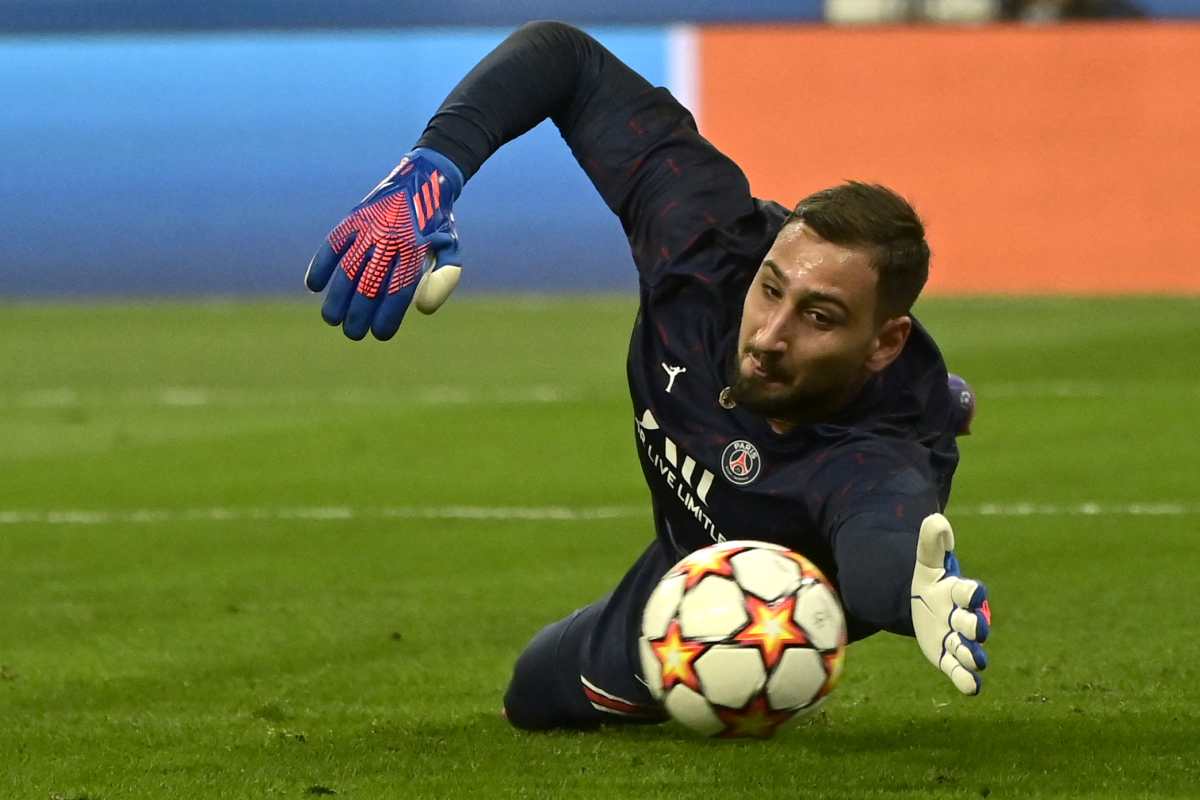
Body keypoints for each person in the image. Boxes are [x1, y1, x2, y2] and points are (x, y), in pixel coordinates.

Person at [304, 21, 992, 732]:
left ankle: (931, 400)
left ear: (884, 342)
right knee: (533, 694)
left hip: (774, 600)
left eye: (819, 317)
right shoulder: (704, 242)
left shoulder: (876, 459)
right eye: (771, 289)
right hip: (687, 558)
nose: (768, 336)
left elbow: (882, 549)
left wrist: (911, 596)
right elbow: (562, 58)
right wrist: (431, 172)